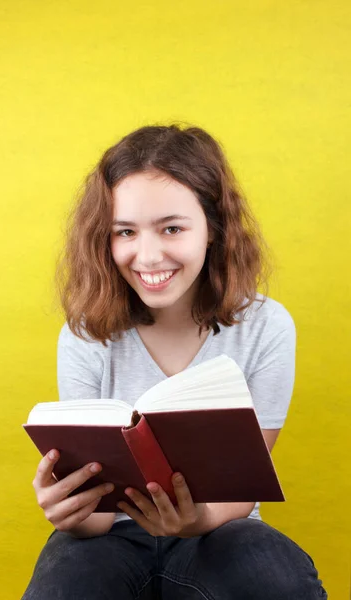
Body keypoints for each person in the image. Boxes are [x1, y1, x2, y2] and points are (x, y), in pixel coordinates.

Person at [22, 124, 327, 599]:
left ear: (213, 229)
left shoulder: (267, 327)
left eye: (172, 228)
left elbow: (242, 489)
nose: (147, 256)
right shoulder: (85, 333)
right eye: (125, 231)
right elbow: (97, 516)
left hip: (219, 529)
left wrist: (196, 518)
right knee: (65, 584)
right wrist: (70, 511)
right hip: (113, 536)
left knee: (276, 578)